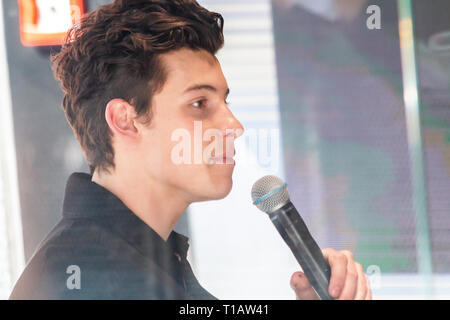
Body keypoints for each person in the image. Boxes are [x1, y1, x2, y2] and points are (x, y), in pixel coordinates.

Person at [10, 0, 371, 300]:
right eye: (199, 103)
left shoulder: (145, 260)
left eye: (224, 101)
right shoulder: (89, 278)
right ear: (125, 119)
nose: (234, 125)